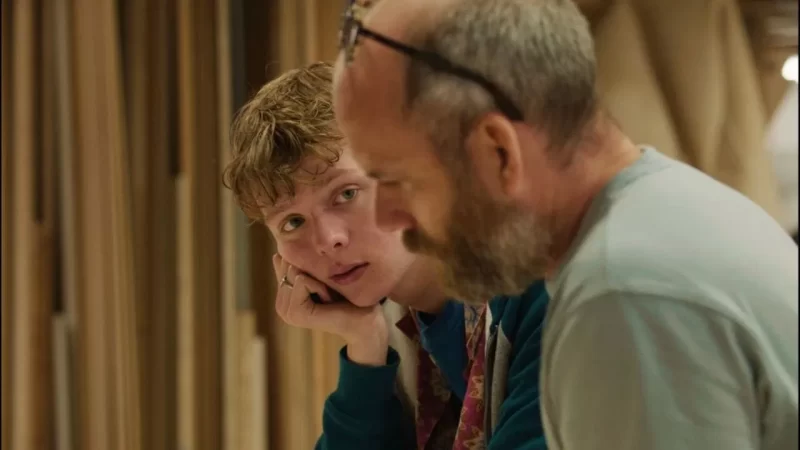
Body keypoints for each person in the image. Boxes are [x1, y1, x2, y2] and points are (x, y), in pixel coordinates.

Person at [331, 0, 800, 449]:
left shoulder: (626, 294)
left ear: (498, 152)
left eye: (397, 180)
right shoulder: (666, 210)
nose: (386, 216)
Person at [223, 62, 548, 450]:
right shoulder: (396, 327)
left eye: (346, 194)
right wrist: (364, 343)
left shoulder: (544, 282)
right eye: (292, 222)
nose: (329, 240)